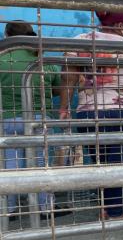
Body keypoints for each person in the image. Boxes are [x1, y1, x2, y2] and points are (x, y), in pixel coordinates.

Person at [60, 11, 123, 219]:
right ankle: (116, 212)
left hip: (89, 111)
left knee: (99, 162)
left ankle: (109, 208)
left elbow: (68, 78)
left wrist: (64, 108)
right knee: (122, 164)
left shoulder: (81, 41)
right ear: (121, 24)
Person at [1, 21, 72, 220]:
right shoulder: (42, 59)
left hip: (7, 117)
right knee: (40, 163)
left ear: (7, 36)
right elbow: (57, 88)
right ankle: (45, 208)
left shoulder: (1, 57)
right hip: (38, 117)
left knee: (10, 163)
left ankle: (8, 210)